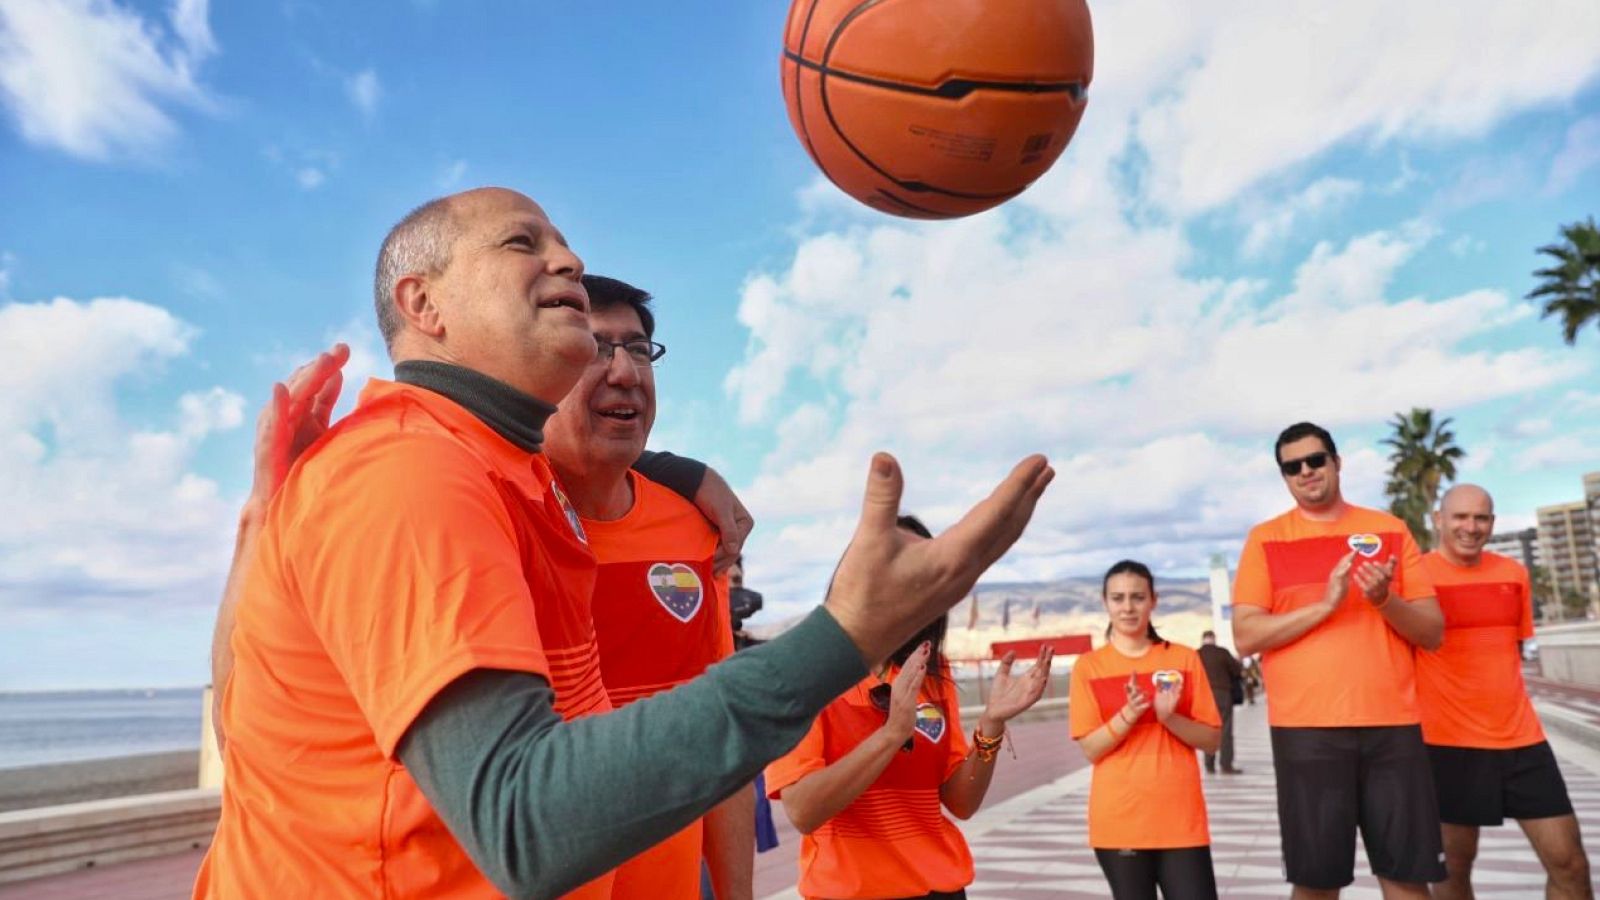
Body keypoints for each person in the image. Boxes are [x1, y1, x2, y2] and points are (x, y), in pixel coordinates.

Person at [195, 186, 1054, 899]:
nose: (565, 259)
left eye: (566, 243)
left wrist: (259, 532)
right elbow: (524, 822)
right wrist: (845, 637)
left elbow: (252, 725)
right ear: (424, 303)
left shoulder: (520, 484)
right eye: (521, 242)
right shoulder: (409, 471)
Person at [539, 274, 754, 900]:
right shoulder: (495, 515)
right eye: (597, 347)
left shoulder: (693, 527)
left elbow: (722, 735)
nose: (626, 371)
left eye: (637, 348)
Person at [765, 515, 1054, 900]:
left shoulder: (931, 669)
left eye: (921, 569)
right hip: (853, 892)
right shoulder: (804, 670)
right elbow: (803, 811)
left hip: (941, 886)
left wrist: (991, 726)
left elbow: (961, 803)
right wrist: (889, 737)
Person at [1232, 421, 1445, 899]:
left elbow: (1432, 632)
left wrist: (1384, 599)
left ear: (1336, 462)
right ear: (1284, 477)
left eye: (1315, 460)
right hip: (1307, 732)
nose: (1306, 471)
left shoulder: (1388, 530)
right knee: (1316, 883)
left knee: (1409, 877)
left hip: (1393, 727)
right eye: (1293, 466)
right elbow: (1245, 636)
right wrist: (1325, 606)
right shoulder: (1265, 540)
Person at [1417, 484, 1592, 900]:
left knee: (1570, 863)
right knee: (1453, 874)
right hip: (1447, 745)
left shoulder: (1513, 575)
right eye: (1460, 516)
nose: (1470, 527)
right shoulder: (1416, 577)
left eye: (1481, 518)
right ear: (1438, 520)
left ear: (1492, 524)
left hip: (1522, 742)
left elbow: (1511, 652)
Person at [1070, 559, 1222, 900]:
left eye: (1137, 597)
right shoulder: (1089, 667)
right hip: (1121, 822)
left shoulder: (1183, 659)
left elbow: (1212, 740)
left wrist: (1169, 718)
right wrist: (1127, 715)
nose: (1128, 607)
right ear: (1105, 602)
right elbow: (1091, 750)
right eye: (1118, 598)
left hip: (1181, 821)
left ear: (1153, 600)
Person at [1196, 630, 1242, 775]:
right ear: (1214, 639)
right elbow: (1237, 670)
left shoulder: (1196, 655)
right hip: (1223, 694)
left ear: (1203, 639)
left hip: (1204, 696)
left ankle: (1209, 764)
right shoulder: (1223, 653)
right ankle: (1226, 764)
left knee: (1208, 728)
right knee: (1226, 729)